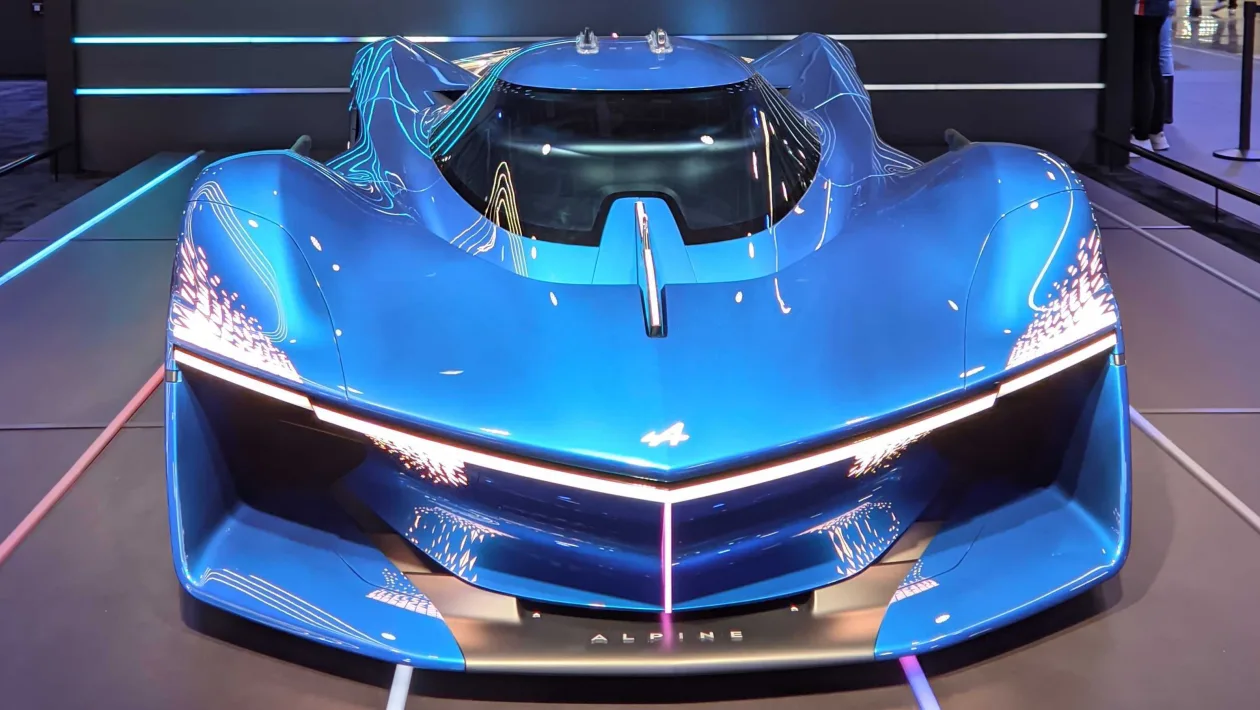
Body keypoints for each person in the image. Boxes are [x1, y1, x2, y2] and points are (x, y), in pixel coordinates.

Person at [1134, 0, 1172, 151]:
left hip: (1142, 8)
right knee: (1152, 65)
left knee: (1142, 68)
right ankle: (1155, 132)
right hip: (1157, 8)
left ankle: (1140, 135)